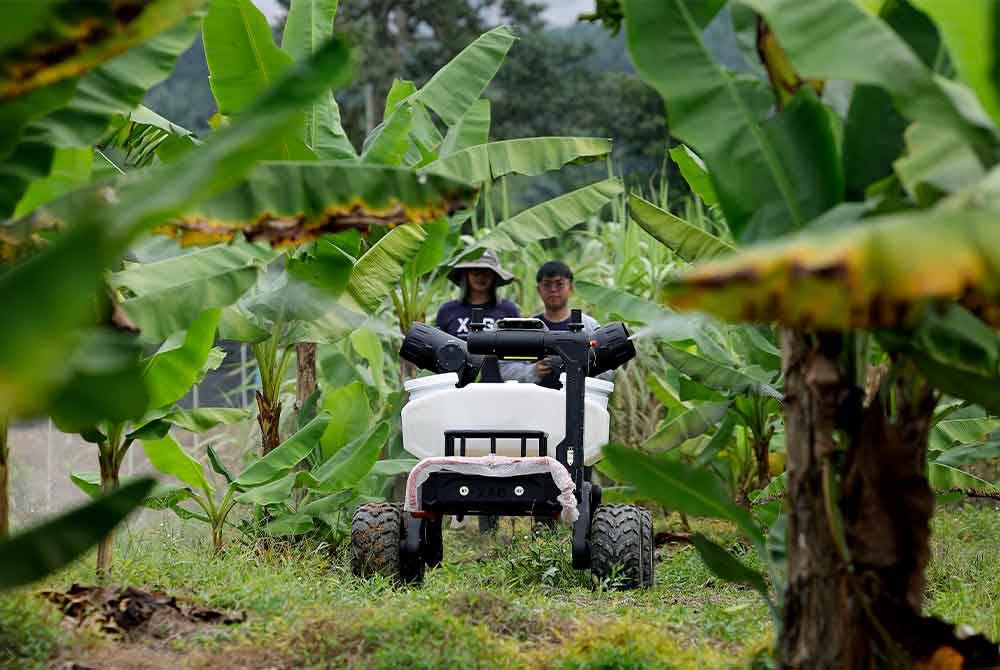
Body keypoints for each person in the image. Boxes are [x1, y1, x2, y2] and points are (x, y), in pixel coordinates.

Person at [504, 260, 611, 386]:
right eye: (547, 285)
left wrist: (580, 367)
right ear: (538, 290)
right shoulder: (528, 328)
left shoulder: (589, 326)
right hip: (536, 400)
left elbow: (607, 368)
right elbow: (506, 368)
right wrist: (533, 371)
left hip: (579, 400)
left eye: (559, 284)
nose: (553, 290)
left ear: (570, 288)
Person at [435, 249, 520, 339]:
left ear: (494, 276)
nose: (481, 277)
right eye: (475, 272)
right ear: (465, 275)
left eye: (487, 272)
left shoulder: (508, 310)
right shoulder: (447, 310)